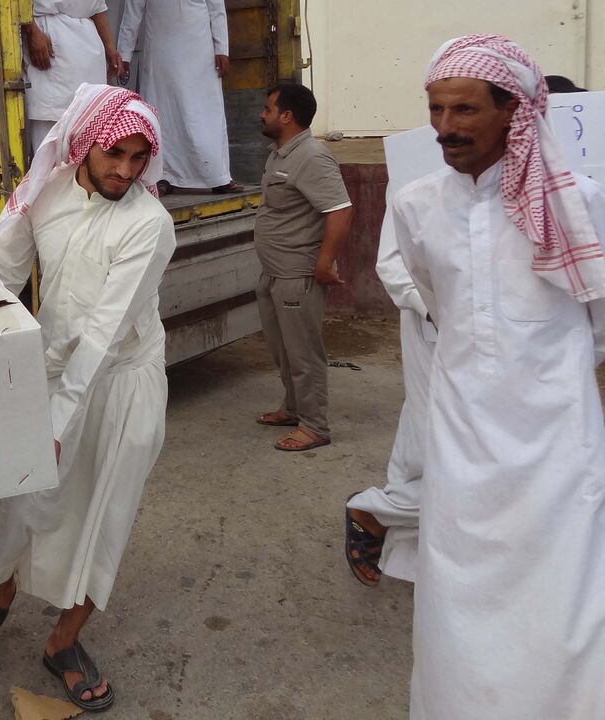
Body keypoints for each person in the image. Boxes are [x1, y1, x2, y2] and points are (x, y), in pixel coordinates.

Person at [393, 35, 605, 718]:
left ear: (515, 110)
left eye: (464, 110)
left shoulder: (581, 203)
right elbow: (433, 297)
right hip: (462, 431)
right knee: (459, 591)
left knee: (567, 593)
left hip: (556, 437)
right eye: (435, 110)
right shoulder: (418, 204)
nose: (445, 129)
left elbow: (598, 317)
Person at [0, 84, 175, 712]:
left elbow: (105, 334)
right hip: (50, 373)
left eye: (139, 159)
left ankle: (63, 641)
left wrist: (61, 416)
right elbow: (3, 281)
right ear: (85, 144)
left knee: (104, 512)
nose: (125, 172)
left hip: (124, 381)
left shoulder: (147, 225)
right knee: (23, 501)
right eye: (115, 155)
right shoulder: (41, 196)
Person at [253, 82, 352, 451]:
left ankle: (315, 426)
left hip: (299, 274)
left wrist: (324, 263)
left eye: (268, 109)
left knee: (303, 353)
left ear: (287, 116)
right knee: (283, 349)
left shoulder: (311, 156)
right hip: (274, 272)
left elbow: (340, 210)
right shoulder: (279, 154)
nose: (262, 114)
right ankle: (293, 408)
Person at [342, 207, 433, 586]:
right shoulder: (420, 182)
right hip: (434, 325)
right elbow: (393, 261)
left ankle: (386, 514)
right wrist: (434, 309)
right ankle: (379, 512)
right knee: (434, 436)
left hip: (522, 342)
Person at [116, 0, 240, 194]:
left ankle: (218, 175)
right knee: (164, 112)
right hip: (161, 54)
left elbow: (217, 10)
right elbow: (133, 12)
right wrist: (124, 55)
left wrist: (222, 49)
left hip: (201, 53)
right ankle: (163, 176)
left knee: (205, 113)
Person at [23, 2, 123, 151]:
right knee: (50, 140)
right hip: (48, 36)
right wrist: (32, 31)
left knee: (90, 125)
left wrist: (109, 46)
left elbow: (97, 6)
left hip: (89, 44)